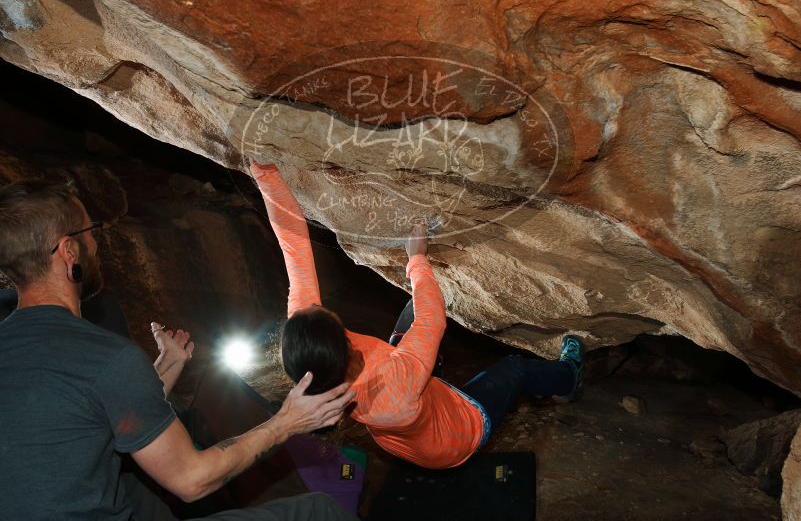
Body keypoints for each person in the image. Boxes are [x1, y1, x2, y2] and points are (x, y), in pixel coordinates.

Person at [0, 179, 357, 520]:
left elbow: (85, 420)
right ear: (68, 251)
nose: (95, 243)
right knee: (319, 511)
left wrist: (168, 365)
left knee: (135, 484)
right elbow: (192, 479)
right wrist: (287, 421)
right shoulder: (107, 356)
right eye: (90, 232)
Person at [250, 159, 585, 470]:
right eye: (333, 319)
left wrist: (265, 174)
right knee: (515, 369)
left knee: (413, 327)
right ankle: (569, 377)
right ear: (345, 347)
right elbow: (431, 319)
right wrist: (417, 258)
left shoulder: (315, 357)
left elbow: (293, 247)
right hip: (455, 437)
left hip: (407, 419)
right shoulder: (397, 385)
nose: (320, 307)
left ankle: (433, 367)